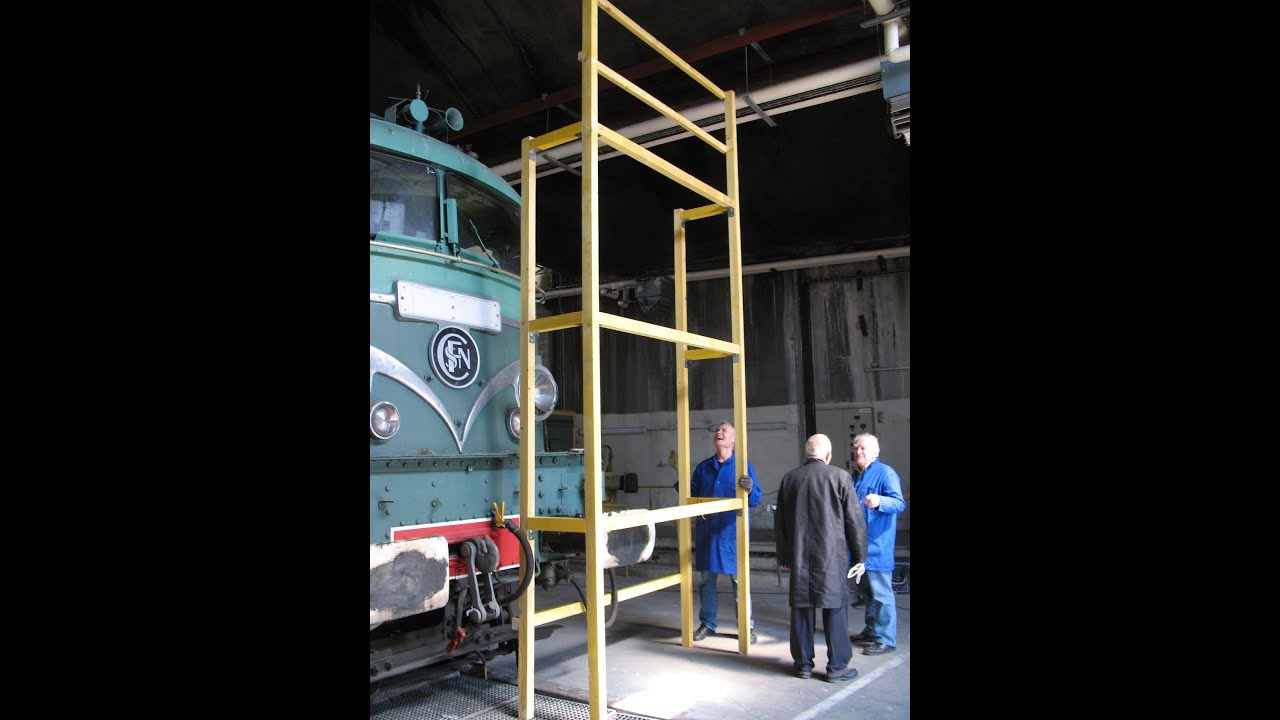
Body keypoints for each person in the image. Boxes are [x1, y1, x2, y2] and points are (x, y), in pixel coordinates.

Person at [775, 433, 868, 682]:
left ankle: (802, 665)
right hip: (830, 557)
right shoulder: (840, 477)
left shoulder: (790, 479)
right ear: (827, 455)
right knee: (835, 608)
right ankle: (837, 668)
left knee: (802, 609)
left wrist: (785, 555)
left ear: (807, 455)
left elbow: (781, 523)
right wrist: (860, 556)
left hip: (799, 557)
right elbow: (854, 522)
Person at [681, 421, 762, 643]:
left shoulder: (743, 466)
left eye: (724, 430)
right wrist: (683, 486)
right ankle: (708, 624)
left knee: (739, 582)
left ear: (734, 439)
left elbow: (754, 500)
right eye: (717, 430)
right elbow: (691, 497)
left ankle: (747, 626)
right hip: (708, 534)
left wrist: (750, 487)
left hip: (732, 536)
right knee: (706, 581)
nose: (719, 432)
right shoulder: (703, 468)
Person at [848, 433, 906, 656]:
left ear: (875, 452)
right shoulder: (855, 476)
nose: (858, 452)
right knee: (868, 592)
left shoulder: (885, 473)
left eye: (863, 448)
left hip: (877, 546)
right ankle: (872, 631)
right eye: (856, 448)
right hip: (859, 546)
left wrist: (880, 501)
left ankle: (886, 638)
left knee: (881, 594)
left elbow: (899, 503)